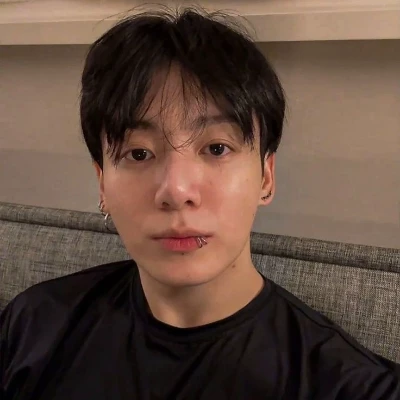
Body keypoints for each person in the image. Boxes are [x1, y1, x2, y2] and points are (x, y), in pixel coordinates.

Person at [0, 7, 399, 400]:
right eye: (139, 153)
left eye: (217, 148)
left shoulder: (352, 386)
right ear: (102, 182)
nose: (176, 191)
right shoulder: (34, 324)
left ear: (265, 176)